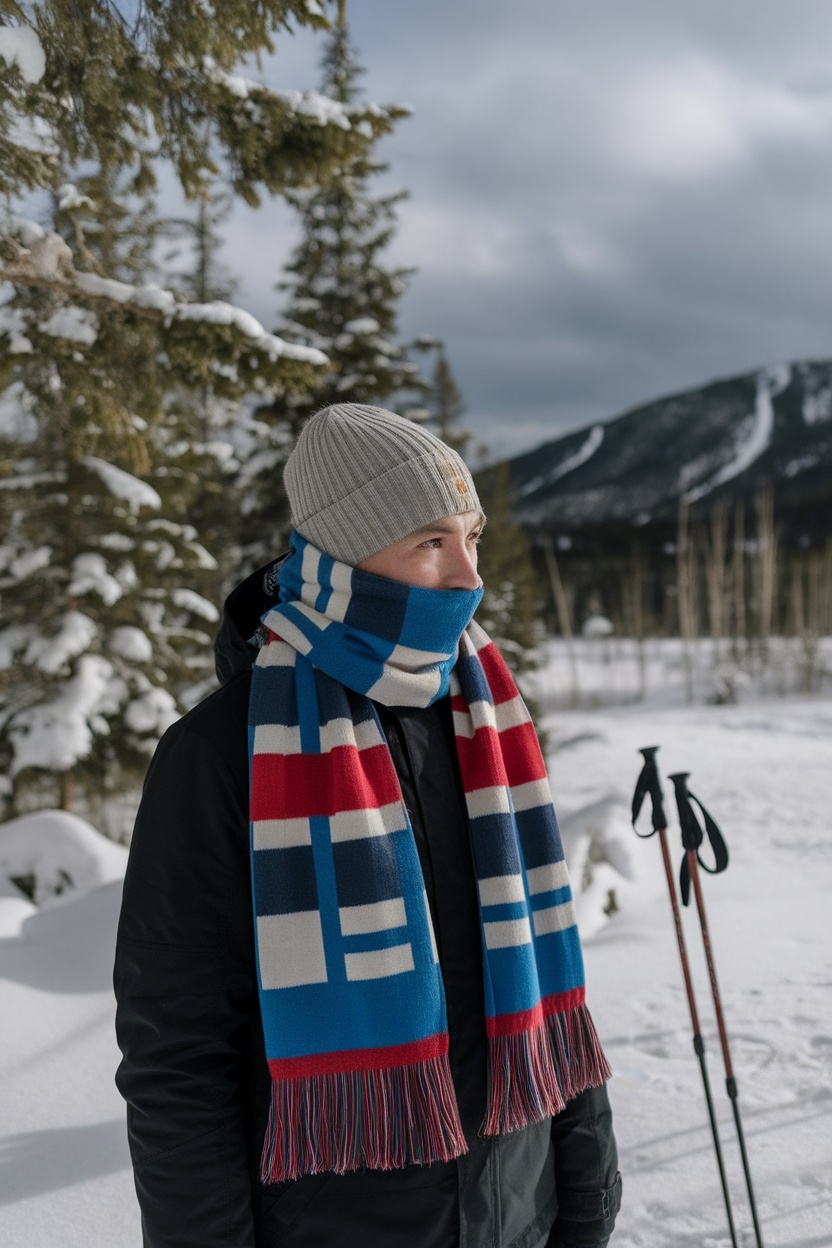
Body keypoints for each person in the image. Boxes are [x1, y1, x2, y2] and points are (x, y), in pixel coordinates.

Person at [114, 403, 622, 1248]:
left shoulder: (486, 719)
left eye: (473, 538)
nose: (468, 576)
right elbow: (178, 1059)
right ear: (343, 552)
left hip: (517, 1216)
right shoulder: (220, 754)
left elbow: (550, 988)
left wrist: (586, 1198)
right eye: (431, 542)